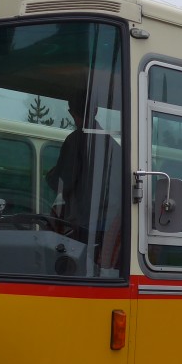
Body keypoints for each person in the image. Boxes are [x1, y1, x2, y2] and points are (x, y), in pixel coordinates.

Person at [45, 89, 123, 262]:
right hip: (110, 228)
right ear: (96, 110)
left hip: (84, 226)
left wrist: (50, 176)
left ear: (71, 112)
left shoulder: (75, 140)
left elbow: (64, 182)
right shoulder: (113, 145)